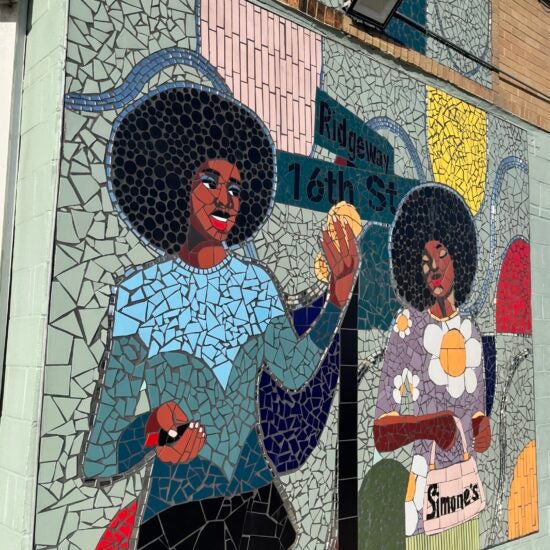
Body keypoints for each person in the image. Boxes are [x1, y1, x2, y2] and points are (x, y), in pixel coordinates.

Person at [82, 86, 359, 550]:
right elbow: (100, 454)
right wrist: (153, 430)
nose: (225, 199)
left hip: (257, 506)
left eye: (234, 187)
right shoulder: (140, 295)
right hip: (176, 518)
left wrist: (335, 301)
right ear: (176, 183)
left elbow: (293, 373)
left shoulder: (257, 286)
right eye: (209, 180)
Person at [373, 185, 491, 539]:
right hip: (427, 502)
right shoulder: (407, 328)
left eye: (440, 253)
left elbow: (476, 411)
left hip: (468, 498)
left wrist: (481, 427)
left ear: (459, 255)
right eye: (425, 261)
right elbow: (381, 432)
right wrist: (427, 426)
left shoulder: (471, 330)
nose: (434, 267)